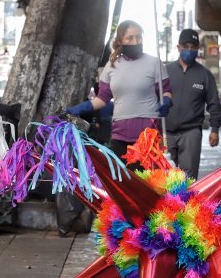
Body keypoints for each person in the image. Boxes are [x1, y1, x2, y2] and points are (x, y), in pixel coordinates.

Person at [65, 20, 172, 167]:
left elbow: (166, 91)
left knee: (147, 182)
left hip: (148, 133)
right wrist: (80, 108)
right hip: (120, 133)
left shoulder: (154, 63)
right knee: (122, 180)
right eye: (130, 38)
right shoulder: (111, 66)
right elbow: (102, 98)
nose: (135, 41)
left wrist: (167, 101)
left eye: (138, 37)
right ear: (120, 41)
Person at [165, 29, 221, 179]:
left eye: (193, 46)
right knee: (163, 177)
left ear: (198, 49)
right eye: (185, 46)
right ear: (178, 47)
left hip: (191, 132)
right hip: (166, 132)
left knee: (188, 180)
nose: (189, 49)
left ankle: (186, 203)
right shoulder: (165, 72)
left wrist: (215, 128)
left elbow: (214, 102)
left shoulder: (205, 75)